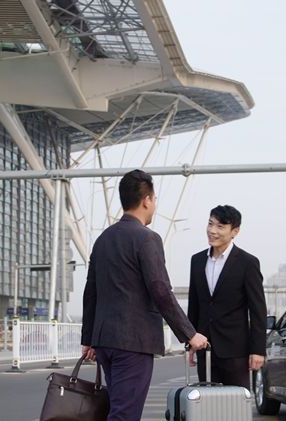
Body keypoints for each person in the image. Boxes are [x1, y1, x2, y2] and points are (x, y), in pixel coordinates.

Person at [81, 169, 208, 421]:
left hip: (105, 341)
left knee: (119, 409)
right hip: (133, 342)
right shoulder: (147, 238)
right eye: (155, 199)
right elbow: (160, 290)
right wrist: (189, 334)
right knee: (125, 415)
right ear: (147, 200)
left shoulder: (103, 239)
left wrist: (89, 339)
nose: (155, 205)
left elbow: (90, 292)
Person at [187, 205, 266, 389]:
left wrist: (258, 350)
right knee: (207, 403)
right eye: (210, 224)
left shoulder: (247, 263)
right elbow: (195, 304)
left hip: (235, 351)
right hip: (204, 348)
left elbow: (258, 310)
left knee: (235, 402)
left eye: (220, 226)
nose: (212, 231)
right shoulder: (197, 260)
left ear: (235, 231)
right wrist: (189, 341)